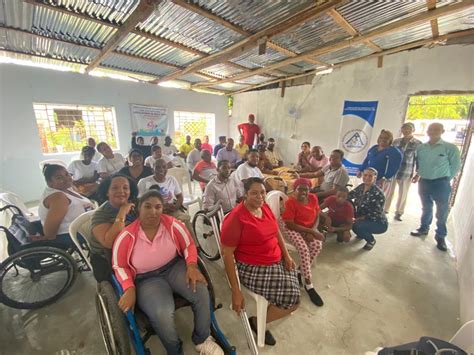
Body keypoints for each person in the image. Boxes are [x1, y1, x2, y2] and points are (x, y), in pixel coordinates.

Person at [112, 191, 224, 355]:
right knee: (161, 313)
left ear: (163, 209)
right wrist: (129, 288)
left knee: (201, 291)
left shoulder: (173, 224)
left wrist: (192, 266)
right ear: (138, 209)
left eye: (158, 207)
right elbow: (119, 266)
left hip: (174, 267)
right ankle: (175, 350)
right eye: (148, 206)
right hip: (146, 279)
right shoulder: (127, 235)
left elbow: (188, 245)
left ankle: (202, 339)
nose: (153, 211)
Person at [221, 178, 300, 346]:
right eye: (254, 193)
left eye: (262, 192)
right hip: (254, 266)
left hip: (275, 258)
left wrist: (286, 255)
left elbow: (276, 230)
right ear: (245, 194)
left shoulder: (264, 207)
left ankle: (272, 307)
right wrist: (236, 291)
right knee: (293, 301)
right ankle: (257, 322)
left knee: (294, 285)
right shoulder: (236, 218)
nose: (260, 196)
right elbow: (227, 254)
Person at [410, 123, 461, 252]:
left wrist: (445, 179)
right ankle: (423, 228)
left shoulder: (450, 148)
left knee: (442, 211)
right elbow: (420, 164)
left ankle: (440, 236)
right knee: (426, 207)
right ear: (427, 131)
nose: (433, 132)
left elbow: (455, 167)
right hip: (424, 181)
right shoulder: (421, 148)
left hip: (441, 183)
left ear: (442, 131)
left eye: (436, 130)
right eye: (430, 129)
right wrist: (418, 175)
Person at [280, 178, 324, 307]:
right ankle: (308, 284)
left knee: (317, 245)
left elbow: (317, 215)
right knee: (304, 249)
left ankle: (300, 271)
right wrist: (308, 232)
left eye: (306, 189)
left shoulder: (313, 198)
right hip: (290, 226)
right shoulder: (290, 202)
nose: (303, 192)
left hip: (307, 228)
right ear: (295, 189)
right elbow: (290, 224)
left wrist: (312, 231)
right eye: (300, 189)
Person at [91, 174, 138, 281]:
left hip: (133, 250)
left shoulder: (135, 206)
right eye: (115, 188)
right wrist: (122, 212)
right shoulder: (100, 215)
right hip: (107, 259)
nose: (121, 191)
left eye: (125, 188)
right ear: (107, 192)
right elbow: (109, 243)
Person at [38, 164, 94, 249]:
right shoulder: (58, 197)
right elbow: (50, 233)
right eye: (59, 178)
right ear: (50, 182)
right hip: (70, 233)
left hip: (83, 227)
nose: (66, 178)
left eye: (67, 174)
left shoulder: (66, 189)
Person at [137, 159, 194, 236]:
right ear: (152, 169)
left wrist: (175, 207)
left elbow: (179, 196)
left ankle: (194, 245)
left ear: (167, 169)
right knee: (166, 225)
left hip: (171, 209)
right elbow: (140, 202)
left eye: (164, 167)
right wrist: (159, 208)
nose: (161, 169)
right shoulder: (144, 182)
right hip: (154, 212)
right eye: (158, 167)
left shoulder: (171, 179)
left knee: (186, 219)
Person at [385, 122, 422, 221]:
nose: (406, 131)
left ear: (413, 130)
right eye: (404, 128)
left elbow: (419, 160)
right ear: (401, 130)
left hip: (406, 171)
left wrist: (418, 174)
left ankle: (399, 212)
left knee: (403, 193)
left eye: (409, 129)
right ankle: (385, 210)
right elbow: (390, 155)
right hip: (393, 171)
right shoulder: (396, 141)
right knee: (389, 192)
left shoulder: (418, 144)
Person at [349, 168, 388, 251]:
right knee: (353, 223)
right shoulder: (361, 187)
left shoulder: (378, 194)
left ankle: (371, 240)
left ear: (375, 178)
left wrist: (357, 219)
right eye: (365, 175)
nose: (367, 178)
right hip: (362, 216)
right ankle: (362, 232)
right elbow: (349, 196)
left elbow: (375, 214)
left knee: (356, 225)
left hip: (377, 222)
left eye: (370, 176)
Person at [358, 130, 403, 195]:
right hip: (369, 177)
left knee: (377, 197)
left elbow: (394, 167)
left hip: (381, 179)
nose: (383, 139)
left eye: (386, 138)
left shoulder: (394, 152)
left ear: (390, 140)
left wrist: (385, 178)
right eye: (381, 137)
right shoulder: (374, 148)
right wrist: (361, 169)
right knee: (365, 195)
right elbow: (367, 159)